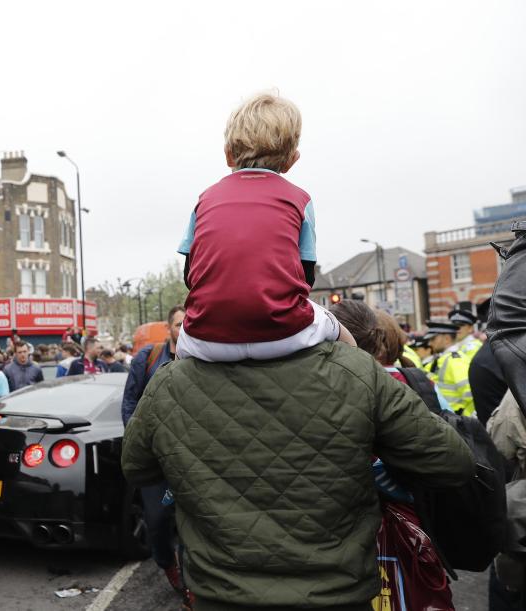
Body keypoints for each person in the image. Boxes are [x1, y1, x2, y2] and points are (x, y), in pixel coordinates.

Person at [122, 324, 475, 609]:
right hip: (337, 594)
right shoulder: (352, 369)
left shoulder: (171, 383)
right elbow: (452, 462)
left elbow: (137, 468)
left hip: (222, 595)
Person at [176, 92, 353, 363]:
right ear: (292, 160)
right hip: (283, 335)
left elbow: (190, 274)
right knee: (345, 337)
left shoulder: (205, 198)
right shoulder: (300, 199)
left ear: (228, 155)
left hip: (206, 338)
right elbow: (306, 276)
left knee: (177, 365)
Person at [121, 305, 186, 595]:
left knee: (190, 524)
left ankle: (190, 581)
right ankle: (167, 563)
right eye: (178, 324)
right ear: (169, 328)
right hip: (155, 458)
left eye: (188, 324)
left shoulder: (200, 357)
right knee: (158, 520)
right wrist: (139, 441)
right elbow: (129, 405)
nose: (183, 329)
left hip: (188, 459)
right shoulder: (146, 359)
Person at [426, 320, 475, 417]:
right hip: (449, 416)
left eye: (433, 339)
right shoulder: (445, 359)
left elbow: (470, 393)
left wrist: (463, 417)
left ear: (447, 339)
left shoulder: (455, 360)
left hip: (456, 418)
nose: (429, 343)